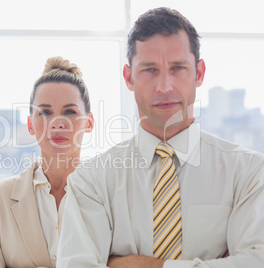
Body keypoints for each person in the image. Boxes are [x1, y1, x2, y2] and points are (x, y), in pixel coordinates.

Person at [57, 7, 264, 268]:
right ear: (128, 77)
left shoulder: (248, 172)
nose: (164, 86)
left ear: (199, 73)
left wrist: (142, 265)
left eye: (178, 68)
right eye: (150, 70)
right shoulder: (92, 180)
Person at [0, 56, 94, 267]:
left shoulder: (111, 195)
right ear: (30, 124)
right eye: (45, 112)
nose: (57, 123)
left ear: (89, 122)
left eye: (70, 111)